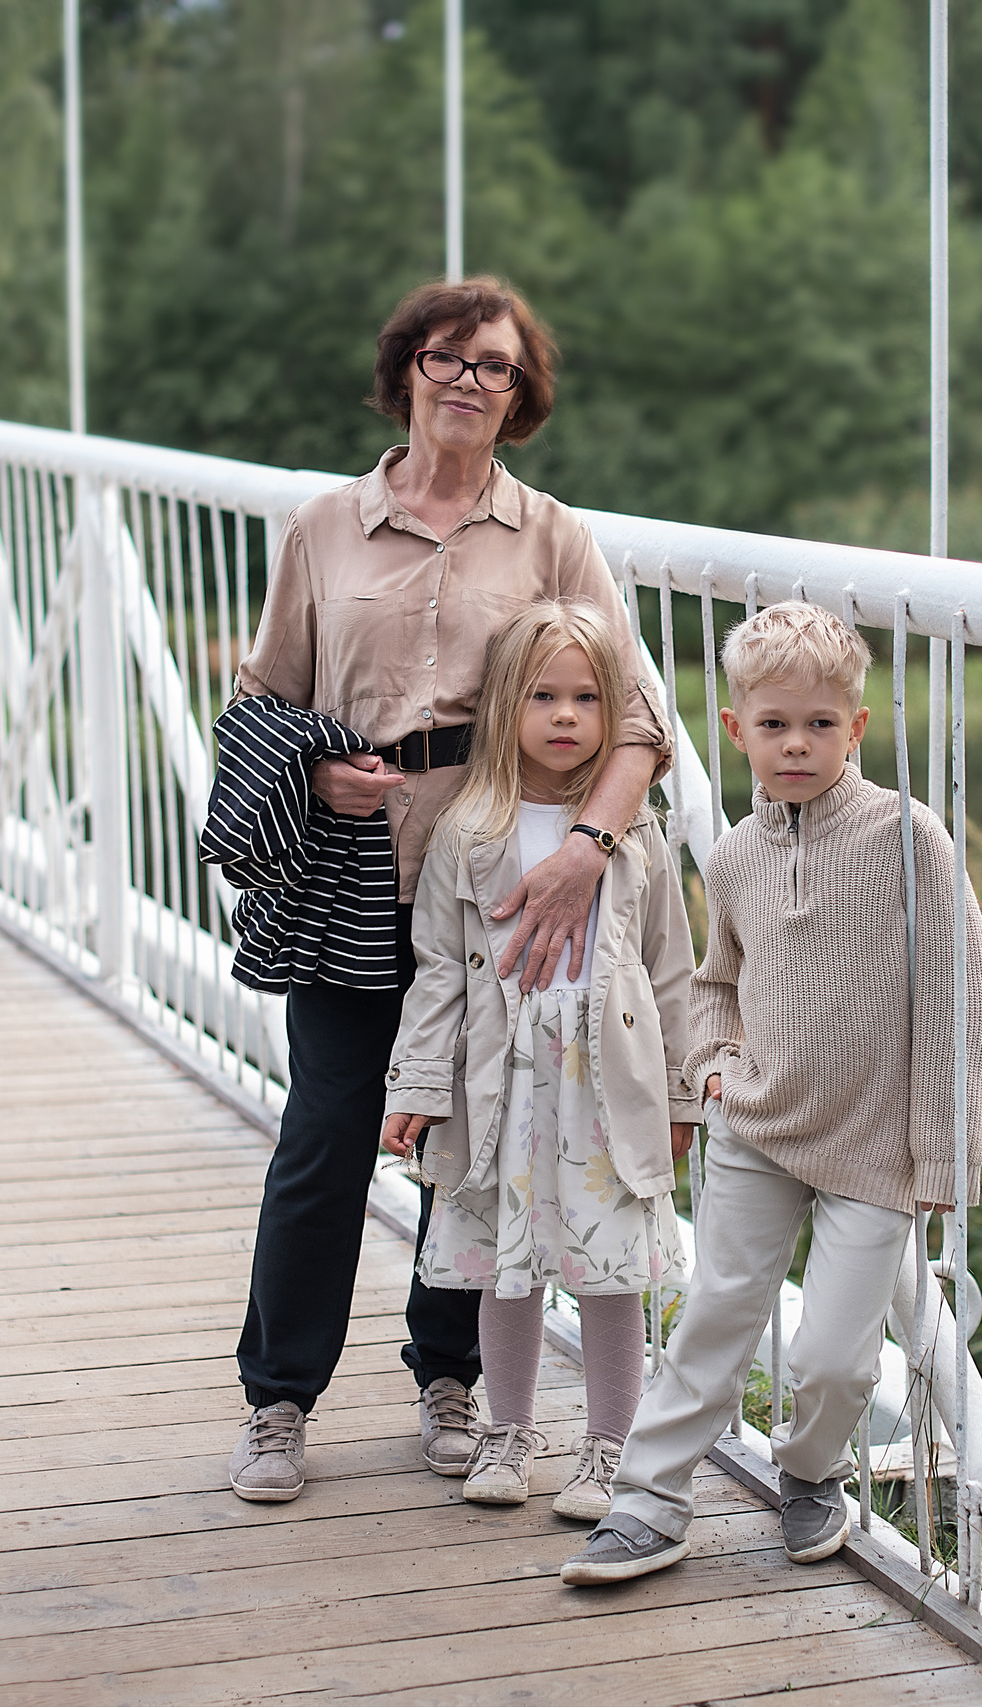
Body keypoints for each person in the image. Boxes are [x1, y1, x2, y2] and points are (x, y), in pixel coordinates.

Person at [222, 278, 670, 1504]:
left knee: (474, 1140)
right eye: (450, 359)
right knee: (325, 1136)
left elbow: (635, 724)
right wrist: (318, 770)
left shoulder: (552, 537)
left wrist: (586, 850)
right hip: (351, 872)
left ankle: (449, 1378)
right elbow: (264, 701)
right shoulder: (324, 525)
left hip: (497, 883)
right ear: (405, 366)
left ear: (523, 396)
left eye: (499, 369)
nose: (472, 383)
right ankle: (278, 1400)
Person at [558, 601, 982, 1585]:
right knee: (714, 1315)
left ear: (857, 728)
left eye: (818, 725)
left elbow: (959, 1000)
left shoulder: (907, 841)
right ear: (734, 729)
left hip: (874, 1149)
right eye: (772, 725)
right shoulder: (735, 854)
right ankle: (648, 1502)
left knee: (838, 1362)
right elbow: (717, 979)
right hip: (756, 1126)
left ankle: (809, 1472)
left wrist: (943, 1152)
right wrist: (711, 1063)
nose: (795, 745)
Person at [379, 599, 700, 1518]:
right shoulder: (469, 834)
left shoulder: (633, 839)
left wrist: (682, 1094)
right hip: (503, 1085)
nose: (566, 717)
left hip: (604, 1084)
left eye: (589, 699)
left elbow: (671, 970)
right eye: (545, 696)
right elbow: (437, 975)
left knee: (609, 1274)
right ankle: (507, 1432)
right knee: (500, 1266)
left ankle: (610, 1449)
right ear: (506, 708)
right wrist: (420, 1086)